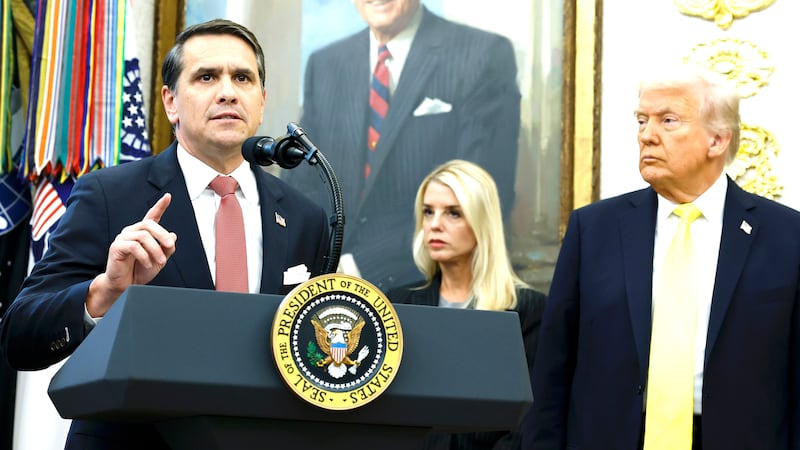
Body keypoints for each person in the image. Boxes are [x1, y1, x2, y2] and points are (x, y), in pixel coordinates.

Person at [0, 19, 330, 450]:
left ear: (262, 101)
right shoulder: (109, 195)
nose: (228, 91)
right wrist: (103, 293)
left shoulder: (306, 217)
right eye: (207, 77)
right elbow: (20, 335)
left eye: (242, 78)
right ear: (170, 102)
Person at [524, 64, 800, 450]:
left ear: (717, 140)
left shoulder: (787, 236)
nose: (646, 136)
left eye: (667, 120)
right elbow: (552, 368)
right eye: (641, 120)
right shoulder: (595, 230)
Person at [285, 0, 521, 292]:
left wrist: (359, 267)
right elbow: (301, 182)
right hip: (324, 283)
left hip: (425, 289)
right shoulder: (325, 64)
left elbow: (481, 195)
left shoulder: (482, 55)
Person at [388, 159, 545, 450]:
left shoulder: (527, 310)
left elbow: (529, 421)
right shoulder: (398, 305)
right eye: (428, 211)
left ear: (481, 221)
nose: (435, 224)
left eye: (453, 213)